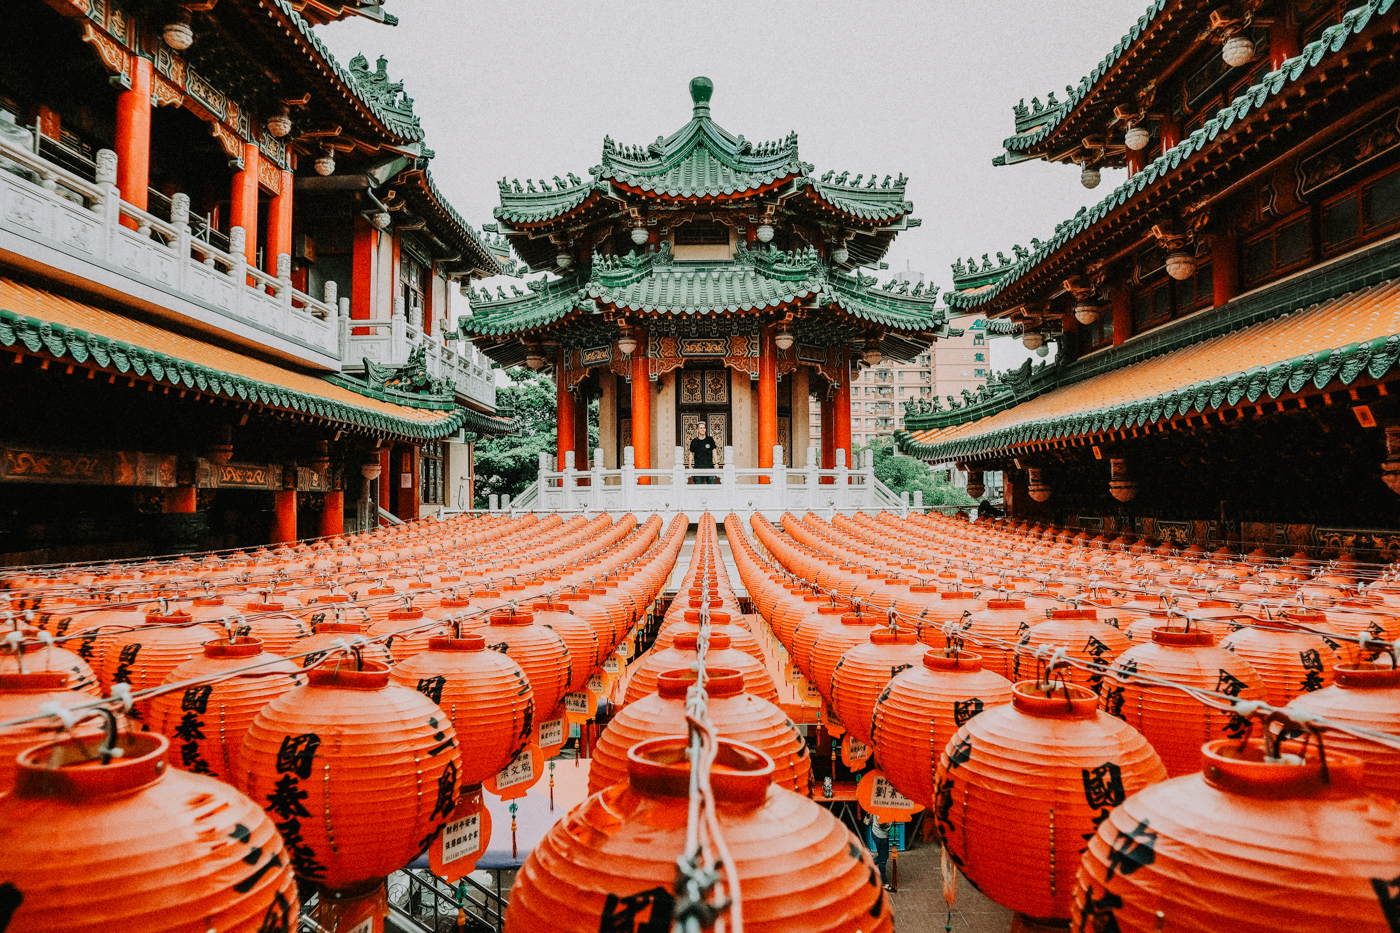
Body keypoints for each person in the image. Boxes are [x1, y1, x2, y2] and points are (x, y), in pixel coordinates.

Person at [864, 811, 894, 891]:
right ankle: (884, 883)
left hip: (877, 833)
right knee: (883, 859)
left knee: (883, 856)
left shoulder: (878, 802)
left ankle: (867, 866)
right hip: (881, 837)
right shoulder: (883, 807)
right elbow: (880, 821)